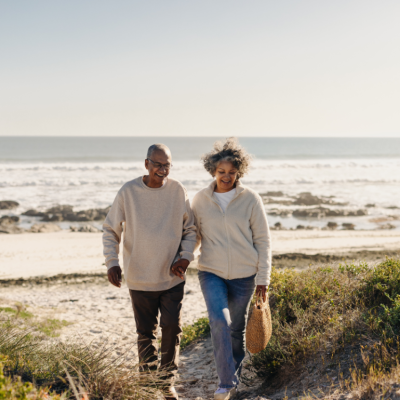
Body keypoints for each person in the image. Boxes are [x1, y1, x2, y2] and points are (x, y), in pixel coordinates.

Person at [102, 143, 196, 400]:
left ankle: (166, 382)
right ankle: (146, 381)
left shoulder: (178, 190)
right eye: (157, 164)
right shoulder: (128, 192)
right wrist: (112, 262)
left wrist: (186, 257)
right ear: (146, 164)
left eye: (167, 165)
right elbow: (111, 230)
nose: (162, 169)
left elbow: (190, 230)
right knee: (145, 333)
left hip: (171, 275)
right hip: (139, 276)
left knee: (172, 328)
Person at [191, 138, 271, 400]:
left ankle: (232, 376)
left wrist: (263, 278)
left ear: (239, 172)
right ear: (212, 170)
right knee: (219, 321)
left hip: (245, 275)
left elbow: (263, 240)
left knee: (236, 329)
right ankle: (226, 383)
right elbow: (194, 236)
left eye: (232, 173)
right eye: (221, 172)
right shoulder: (200, 200)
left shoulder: (250, 199)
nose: (226, 177)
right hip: (210, 271)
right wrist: (183, 257)